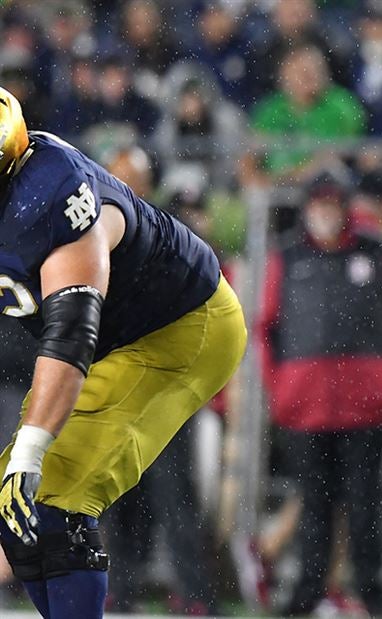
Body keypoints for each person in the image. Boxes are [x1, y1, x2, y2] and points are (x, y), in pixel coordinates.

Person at [0, 86, 246, 618]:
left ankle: (187, 594)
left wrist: (30, 451)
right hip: (116, 345)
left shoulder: (50, 195)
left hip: (179, 328)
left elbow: (69, 337)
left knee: (46, 498)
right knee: (16, 511)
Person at [257, 176, 382, 616]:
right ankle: (310, 592)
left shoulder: (377, 251)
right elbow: (267, 329)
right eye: (318, 205)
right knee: (314, 505)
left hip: (367, 406)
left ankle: (370, 592)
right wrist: (280, 389)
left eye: (333, 205)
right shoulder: (288, 257)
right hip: (305, 407)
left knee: (365, 504)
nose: (325, 214)